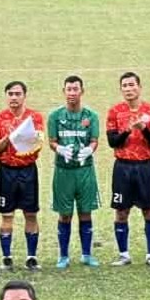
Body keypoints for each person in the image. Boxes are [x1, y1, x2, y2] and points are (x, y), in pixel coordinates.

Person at [104, 72, 150, 267]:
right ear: (121, 89)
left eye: (132, 85)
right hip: (122, 167)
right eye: (125, 86)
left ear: (139, 87)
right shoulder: (115, 111)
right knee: (121, 212)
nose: (129, 89)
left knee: (149, 211)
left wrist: (143, 128)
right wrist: (128, 130)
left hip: (144, 167)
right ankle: (124, 255)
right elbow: (113, 142)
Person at [0, 82, 46, 273]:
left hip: (28, 170)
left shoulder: (35, 117)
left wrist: (24, 141)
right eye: (11, 94)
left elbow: (38, 143)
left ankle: (31, 257)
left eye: (18, 94)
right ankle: (6, 257)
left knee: (31, 213)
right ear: (6, 96)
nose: (14, 97)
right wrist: (8, 138)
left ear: (24, 96)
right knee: (7, 214)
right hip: (6, 171)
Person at [47, 77, 101, 269]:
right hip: (64, 171)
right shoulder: (55, 116)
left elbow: (94, 140)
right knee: (65, 215)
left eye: (75, 89)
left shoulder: (91, 116)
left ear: (81, 91)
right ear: (64, 91)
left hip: (85, 170)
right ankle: (63, 256)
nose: (72, 93)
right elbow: (52, 141)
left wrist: (90, 149)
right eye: (68, 89)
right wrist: (59, 149)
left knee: (85, 212)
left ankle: (86, 254)